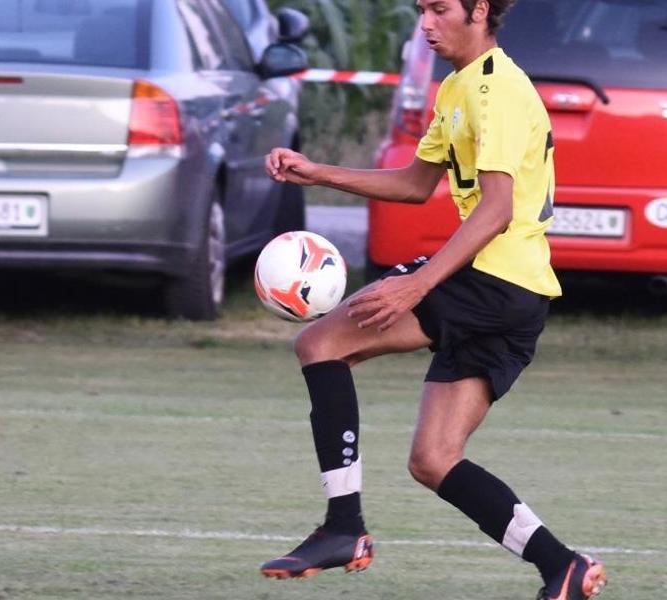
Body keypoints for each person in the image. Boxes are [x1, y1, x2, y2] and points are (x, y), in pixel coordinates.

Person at [260, 1, 608, 599]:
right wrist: (318, 173)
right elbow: (416, 185)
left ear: (479, 10)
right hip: (516, 293)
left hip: (492, 279)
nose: (425, 23)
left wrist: (418, 283)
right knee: (434, 459)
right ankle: (565, 566)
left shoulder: (496, 90)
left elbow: (497, 209)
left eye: (439, 9)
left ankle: (344, 527)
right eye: (421, 8)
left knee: (321, 342)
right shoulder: (457, 87)